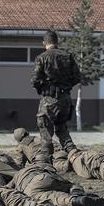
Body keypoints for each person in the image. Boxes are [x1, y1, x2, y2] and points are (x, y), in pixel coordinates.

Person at [32, 29, 81, 161]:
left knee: (46, 133)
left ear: (44, 43)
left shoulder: (42, 58)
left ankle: (45, 164)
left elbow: (35, 80)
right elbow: (77, 77)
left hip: (48, 99)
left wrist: (42, 89)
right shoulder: (67, 56)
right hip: (65, 99)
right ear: (57, 42)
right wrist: (66, 86)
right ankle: (75, 157)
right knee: (62, 130)